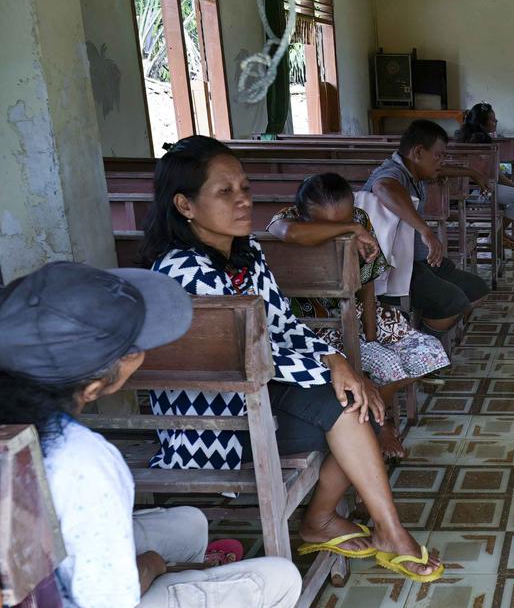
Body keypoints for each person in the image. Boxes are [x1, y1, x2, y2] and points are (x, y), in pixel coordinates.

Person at [140, 136, 443, 582]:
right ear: (185, 205)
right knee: (350, 403)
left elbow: (281, 325)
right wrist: (333, 367)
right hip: (213, 422)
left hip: (258, 393)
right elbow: (249, 348)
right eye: (226, 192)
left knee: (363, 400)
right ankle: (386, 531)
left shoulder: (246, 254)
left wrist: (336, 358)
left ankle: (327, 521)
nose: (244, 200)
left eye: (244, 188)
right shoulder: (183, 269)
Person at [0, 261, 304, 607]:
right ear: (95, 385)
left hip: (37, 566)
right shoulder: (82, 460)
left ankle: (188, 578)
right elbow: (108, 601)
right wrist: (152, 565)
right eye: (132, 347)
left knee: (190, 523)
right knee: (282, 577)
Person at [267, 173, 451, 458]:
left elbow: (366, 280)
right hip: (308, 329)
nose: (339, 231)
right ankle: (380, 424)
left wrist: (372, 334)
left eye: (345, 220)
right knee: (389, 364)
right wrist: (350, 228)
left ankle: (372, 403)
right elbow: (289, 234)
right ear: (302, 214)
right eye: (327, 226)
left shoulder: (359, 219)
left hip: (356, 312)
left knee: (429, 351)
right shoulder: (287, 220)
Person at [361, 120, 490, 337]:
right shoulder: (393, 173)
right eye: (438, 155)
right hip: (398, 267)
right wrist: (425, 231)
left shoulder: (414, 171)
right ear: (418, 152)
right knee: (452, 300)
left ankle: (422, 337)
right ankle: (421, 349)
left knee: (477, 289)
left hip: (422, 262)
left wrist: (470, 173)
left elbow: (439, 171)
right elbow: (383, 188)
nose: (442, 161)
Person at [457, 103, 514, 250]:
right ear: (482, 123)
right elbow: (494, 174)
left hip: (462, 190)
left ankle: (499, 233)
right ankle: (495, 234)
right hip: (479, 191)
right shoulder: (482, 141)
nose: (496, 121)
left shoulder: (461, 136)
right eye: (492, 119)